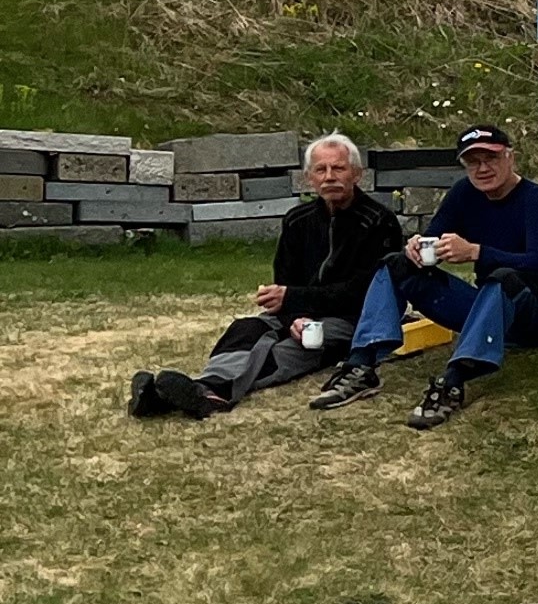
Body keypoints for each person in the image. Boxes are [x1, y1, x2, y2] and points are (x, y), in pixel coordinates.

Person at [310, 124, 538, 429]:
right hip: (490, 308)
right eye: (473, 161)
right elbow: (432, 237)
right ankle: (361, 365)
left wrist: (477, 252)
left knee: (504, 278)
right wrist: (416, 248)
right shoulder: (464, 193)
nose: (482, 168)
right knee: (396, 263)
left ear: (510, 158)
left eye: (491, 158)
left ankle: (453, 381)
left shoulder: (536, 200)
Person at [129, 134, 401, 418]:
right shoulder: (298, 220)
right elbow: (285, 280)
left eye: (339, 168)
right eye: (321, 169)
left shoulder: (379, 222)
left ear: (357, 174)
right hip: (299, 310)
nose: (329, 176)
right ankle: (196, 389)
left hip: (352, 320)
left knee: (290, 349)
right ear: (309, 178)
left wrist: (294, 302)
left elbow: (365, 291)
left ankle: (212, 394)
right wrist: (294, 315)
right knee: (246, 329)